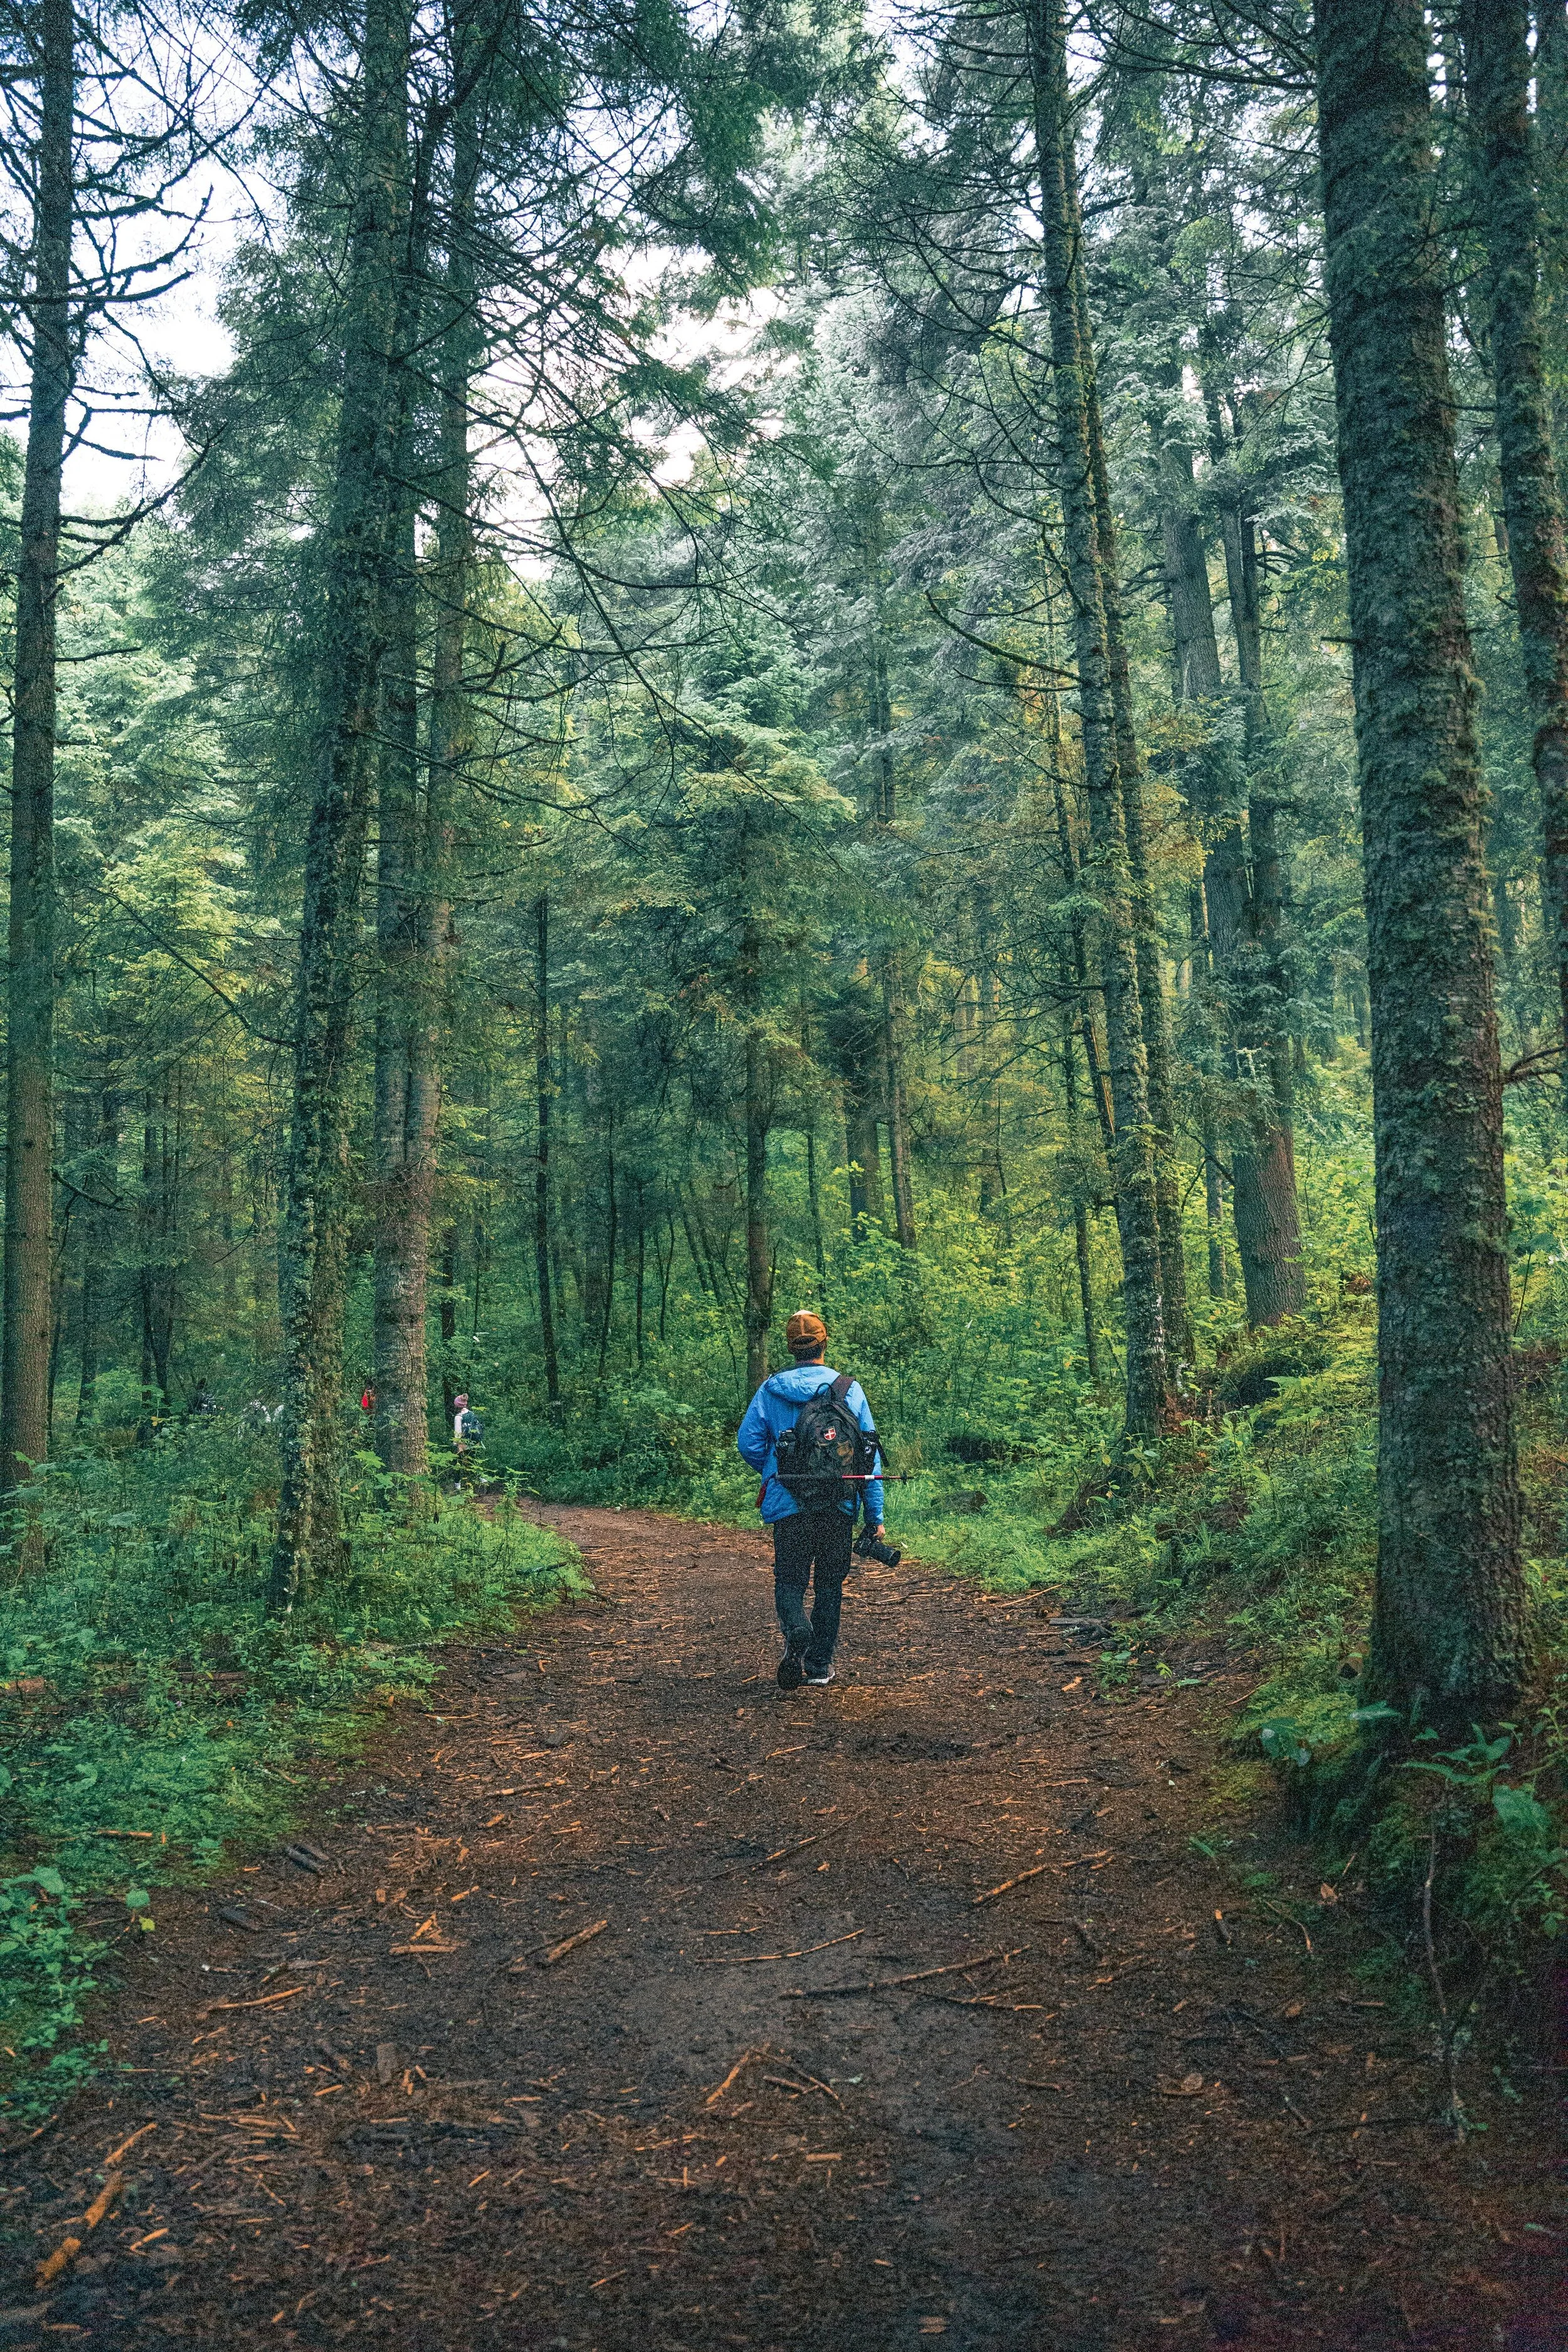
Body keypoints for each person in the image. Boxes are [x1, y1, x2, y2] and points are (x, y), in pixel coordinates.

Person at [737, 1308, 885, 1691]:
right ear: (824, 1343)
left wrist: (775, 1470)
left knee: (790, 1579)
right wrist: (875, 1513)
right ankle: (820, 1664)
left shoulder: (770, 1390)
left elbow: (748, 1443)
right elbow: (869, 1454)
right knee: (830, 1585)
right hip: (838, 1501)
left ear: (791, 1347)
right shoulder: (848, 1389)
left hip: (788, 1501)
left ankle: (796, 1632)